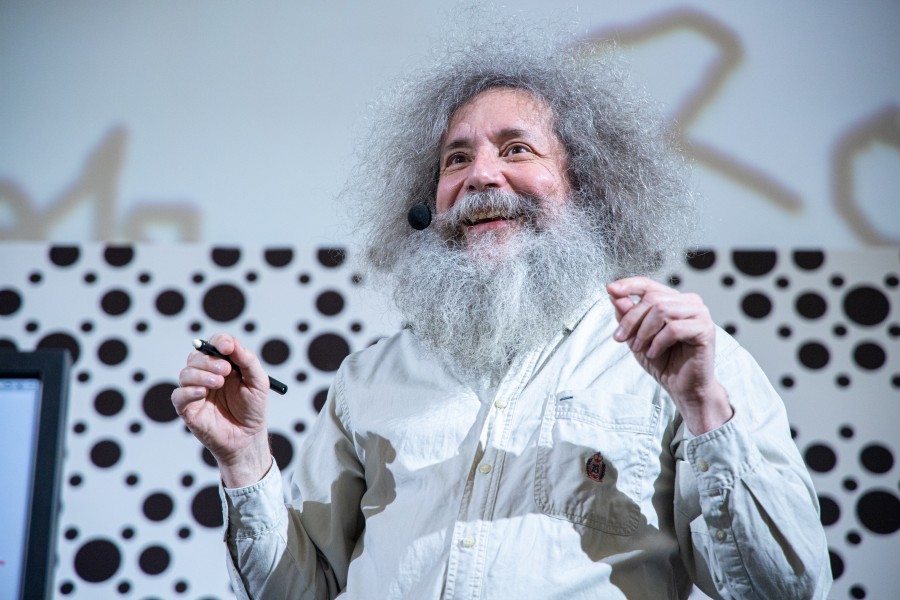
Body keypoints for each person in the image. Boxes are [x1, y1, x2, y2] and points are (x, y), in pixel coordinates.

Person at [172, 24, 831, 600]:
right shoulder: (367, 379)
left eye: (517, 149)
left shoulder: (684, 363)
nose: (481, 176)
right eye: (457, 158)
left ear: (584, 187)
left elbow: (784, 589)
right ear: (428, 205)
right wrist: (244, 460)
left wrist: (706, 410)